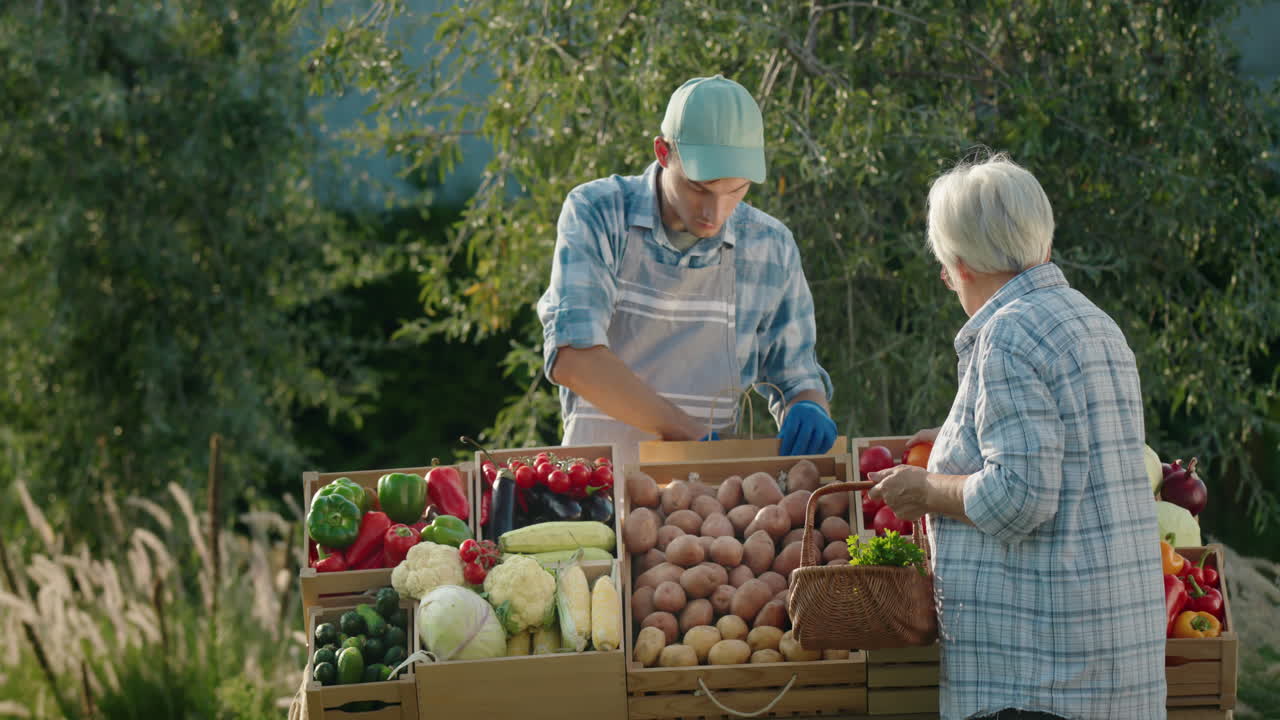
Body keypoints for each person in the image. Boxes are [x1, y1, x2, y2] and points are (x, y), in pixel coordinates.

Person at [867, 153, 1166, 720]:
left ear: (960, 266)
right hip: (1115, 668)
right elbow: (1070, 448)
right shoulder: (1095, 322)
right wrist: (959, 433)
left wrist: (927, 490)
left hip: (1040, 680)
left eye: (944, 268)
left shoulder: (1007, 335)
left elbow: (1019, 496)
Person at [536, 75, 835, 466]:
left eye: (735, 191)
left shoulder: (770, 246)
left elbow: (796, 376)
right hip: (595, 482)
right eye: (700, 188)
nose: (715, 212)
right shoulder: (599, 212)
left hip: (709, 491)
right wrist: (693, 437)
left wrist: (809, 406)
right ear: (663, 152)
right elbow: (574, 358)